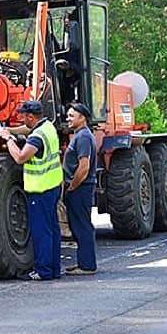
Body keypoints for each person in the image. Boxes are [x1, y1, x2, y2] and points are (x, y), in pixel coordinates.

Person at [1, 100, 63, 281]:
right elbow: (27, 130)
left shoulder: (37, 137)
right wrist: (11, 130)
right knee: (52, 230)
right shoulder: (48, 127)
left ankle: (43, 271)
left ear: (30, 116)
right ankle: (54, 269)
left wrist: (8, 139)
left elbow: (20, 157)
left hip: (40, 190)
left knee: (41, 232)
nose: (21, 118)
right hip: (52, 187)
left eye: (23, 116)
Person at [63, 103, 98, 276]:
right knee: (78, 224)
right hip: (80, 187)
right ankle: (84, 262)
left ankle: (87, 266)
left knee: (82, 225)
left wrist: (72, 186)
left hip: (81, 187)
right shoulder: (80, 135)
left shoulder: (83, 137)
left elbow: (84, 166)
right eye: (68, 115)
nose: (68, 119)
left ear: (82, 117)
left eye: (71, 115)